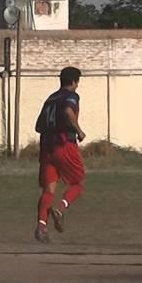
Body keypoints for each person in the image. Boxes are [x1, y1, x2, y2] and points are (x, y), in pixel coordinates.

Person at [34, 67, 86, 244]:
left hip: (47, 147)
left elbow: (38, 126)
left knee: (48, 190)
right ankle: (61, 209)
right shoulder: (70, 96)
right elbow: (68, 112)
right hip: (64, 145)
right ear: (73, 82)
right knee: (78, 183)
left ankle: (41, 226)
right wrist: (78, 131)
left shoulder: (50, 99)